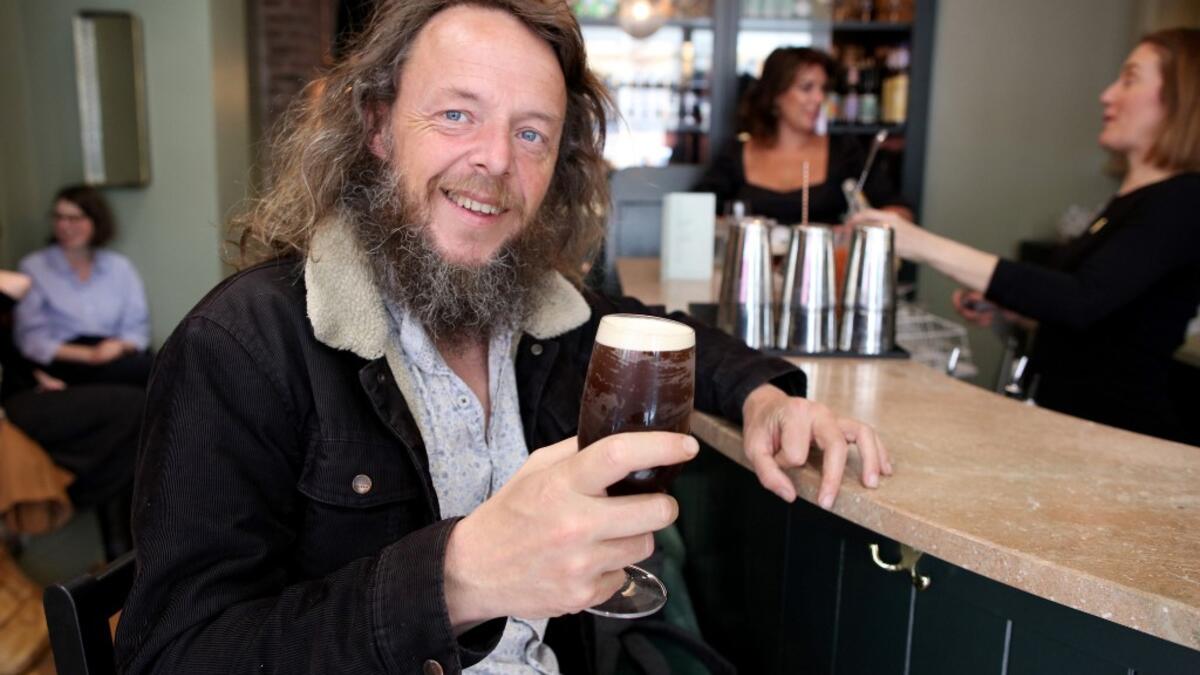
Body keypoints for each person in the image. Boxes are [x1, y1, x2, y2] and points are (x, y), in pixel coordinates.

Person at [115, 2, 892, 673]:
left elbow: (669, 334)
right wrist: (457, 579)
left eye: (532, 134)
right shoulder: (240, 347)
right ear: (379, 125)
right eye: (457, 114)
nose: (495, 160)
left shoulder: (538, 314)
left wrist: (764, 396)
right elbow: (176, 654)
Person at [851, 28, 1200, 444]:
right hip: (1073, 427)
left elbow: (1081, 299)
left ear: (1181, 96)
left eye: (1129, 79)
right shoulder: (1132, 200)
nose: (1107, 95)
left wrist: (919, 244)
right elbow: (1108, 314)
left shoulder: (1184, 199)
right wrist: (1012, 308)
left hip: (1124, 438)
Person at [0, 269, 141, 560]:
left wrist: (34, 374)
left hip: (24, 389)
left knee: (138, 409)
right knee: (132, 408)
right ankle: (60, 495)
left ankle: (123, 556)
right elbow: (18, 284)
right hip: (9, 411)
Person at [694, 47, 912, 224]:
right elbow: (694, 213)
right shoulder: (736, 152)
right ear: (776, 95)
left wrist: (865, 228)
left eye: (822, 88)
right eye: (807, 88)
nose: (819, 98)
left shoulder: (844, 151)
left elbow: (900, 211)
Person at [15, 185, 152, 387]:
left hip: (115, 351)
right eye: (59, 217)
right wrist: (90, 355)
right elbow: (32, 340)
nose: (65, 226)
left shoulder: (119, 267)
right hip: (67, 359)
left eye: (75, 218)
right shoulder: (34, 268)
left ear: (96, 221)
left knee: (164, 365)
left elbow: (137, 327)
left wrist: (120, 347)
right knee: (144, 373)